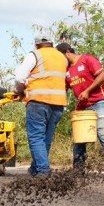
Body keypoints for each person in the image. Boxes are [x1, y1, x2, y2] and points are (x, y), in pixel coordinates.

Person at [56, 42, 104, 179]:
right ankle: (78, 170)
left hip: (99, 102)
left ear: (67, 53)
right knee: (79, 139)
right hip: (82, 106)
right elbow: (63, 89)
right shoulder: (67, 71)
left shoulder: (87, 59)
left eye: (60, 57)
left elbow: (102, 76)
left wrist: (87, 91)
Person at [13, 35, 69, 178]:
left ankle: (43, 170)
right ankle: (35, 168)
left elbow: (20, 78)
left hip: (38, 102)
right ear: (51, 43)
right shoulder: (62, 57)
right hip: (58, 104)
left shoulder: (35, 55)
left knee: (36, 137)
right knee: (46, 138)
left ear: (37, 45)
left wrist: (20, 91)